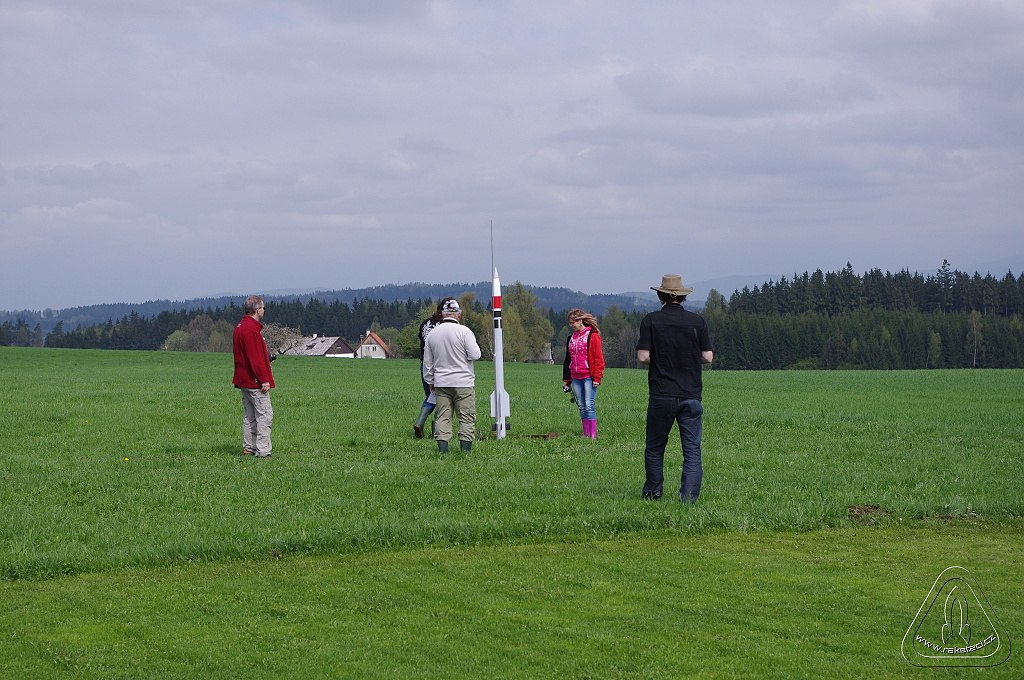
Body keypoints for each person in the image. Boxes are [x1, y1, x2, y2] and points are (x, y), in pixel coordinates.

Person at [636, 275, 714, 502]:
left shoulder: (650, 321)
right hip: (691, 393)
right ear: (683, 296)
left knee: (655, 447)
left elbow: (643, 357)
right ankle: (688, 498)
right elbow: (708, 357)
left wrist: (662, 359)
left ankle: (653, 493)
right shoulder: (697, 321)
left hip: (661, 393)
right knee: (692, 450)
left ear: (660, 295)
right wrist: (687, 358)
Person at [422, 298, 482, 454]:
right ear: (459, 314)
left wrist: (430, 381)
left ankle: (443, 451)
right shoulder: (465, 332)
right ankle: (465, 452)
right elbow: (475, 354)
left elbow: (427, 363)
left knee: (442, 417)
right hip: (463, 383)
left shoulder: (433, 334)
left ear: (442, 313)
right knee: (466, 417)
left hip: (441, 383)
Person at [232, 295, 276, 459]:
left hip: (243, 380)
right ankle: (263, 451)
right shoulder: (251, 330)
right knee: (265, 414)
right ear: (257, 309)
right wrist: (264, 379)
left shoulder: (240, 327)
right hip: (254, 381)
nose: (264, 310)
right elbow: (255, 358)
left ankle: (248, 447)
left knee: (249, 415)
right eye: (263, 308)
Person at [413, 297, 457, 439]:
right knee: (442, 398)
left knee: (431, 395)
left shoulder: (425, 323)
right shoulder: (445, 327)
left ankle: (420, 422)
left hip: (425, 365)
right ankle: (437, 432)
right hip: (442, 365)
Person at [562, 308, 605, 439]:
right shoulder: (571, 338)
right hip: (575, 376)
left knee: (588, 404)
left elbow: (598, 358)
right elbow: (568, 360)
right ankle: (585, 433)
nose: (572, 325)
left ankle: (592, 434)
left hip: (589, 377)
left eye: (573, 322)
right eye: (570, 323)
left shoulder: (593, 336)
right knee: (581, 405)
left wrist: (597, 377)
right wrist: (567, 381)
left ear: (580, 320)